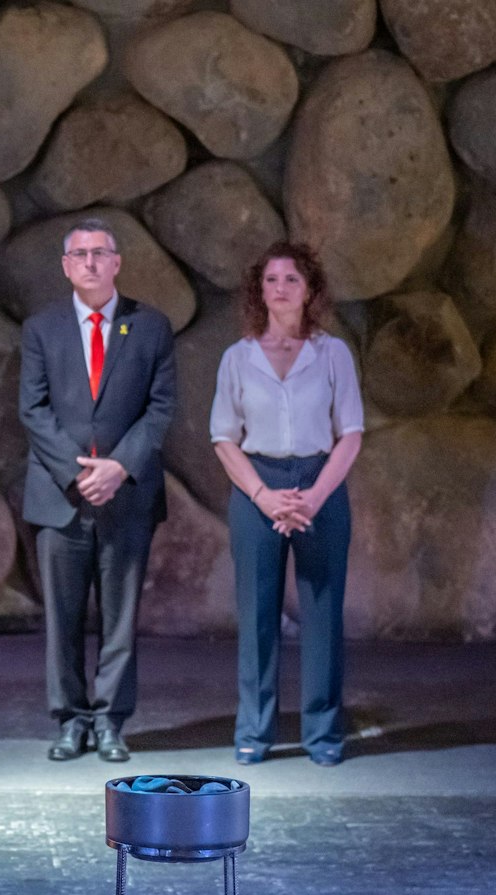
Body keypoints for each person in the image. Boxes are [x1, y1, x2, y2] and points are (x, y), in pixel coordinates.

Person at [17, 218, 177, 764]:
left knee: (121, 619)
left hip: (127, 495)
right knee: (61, 621)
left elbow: (160, 411)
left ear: (117, 263)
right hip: (59, 497)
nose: (89, 262)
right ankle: (69, 721)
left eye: (99, 253)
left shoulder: (150, 327)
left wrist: (118, 468)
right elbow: (32, 410)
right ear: (65, 266)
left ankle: (110, 721)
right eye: (79, 254)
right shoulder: (42, 329)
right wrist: (78, 471)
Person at [210, 242, 363, 766]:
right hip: (260, 485)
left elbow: (351, 433)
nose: (280, 288)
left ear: (310, 290)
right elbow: (224, 437)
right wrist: (263, 495)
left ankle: (323, 733)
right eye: (271, 279)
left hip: (320, 483)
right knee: (257, 616)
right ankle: (255, 730)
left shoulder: (333, 354)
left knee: (322, 613)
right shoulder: (238, 357)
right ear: (260, 290)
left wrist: (315, 497)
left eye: (291, 279)